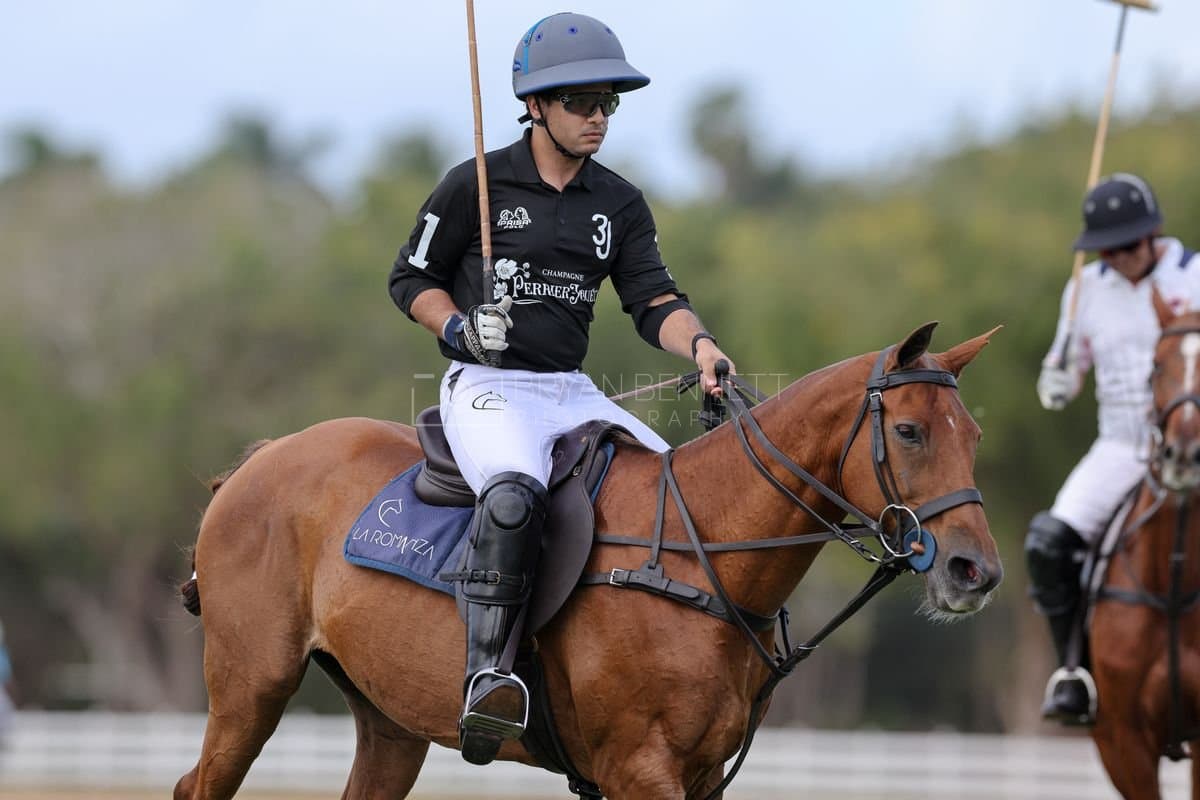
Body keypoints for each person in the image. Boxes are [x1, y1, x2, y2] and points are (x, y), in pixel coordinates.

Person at [388, 12, 735, 764]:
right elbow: (410, 279)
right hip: (487, 383)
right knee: (515, 494)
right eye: (581, 102)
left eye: (608, 102)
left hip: (568, 389)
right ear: (536, 105)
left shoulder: (620, 202)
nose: (598, 116)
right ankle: (488, 677)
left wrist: (701, 345)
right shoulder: (476, 183)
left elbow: (654, 301)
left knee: (672, 491)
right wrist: (458, 328)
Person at [1027, 173, 1200, 724]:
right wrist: (1056, 379)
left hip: (1193, 444)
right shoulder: (1083, 290)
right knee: (1047, 545)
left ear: (1152, 234)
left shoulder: (1195, 275)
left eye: (1129, 244)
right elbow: (1067, 370)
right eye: (1109, 248)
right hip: (1121, 446)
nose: (1120, 257)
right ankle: (1074, 671)